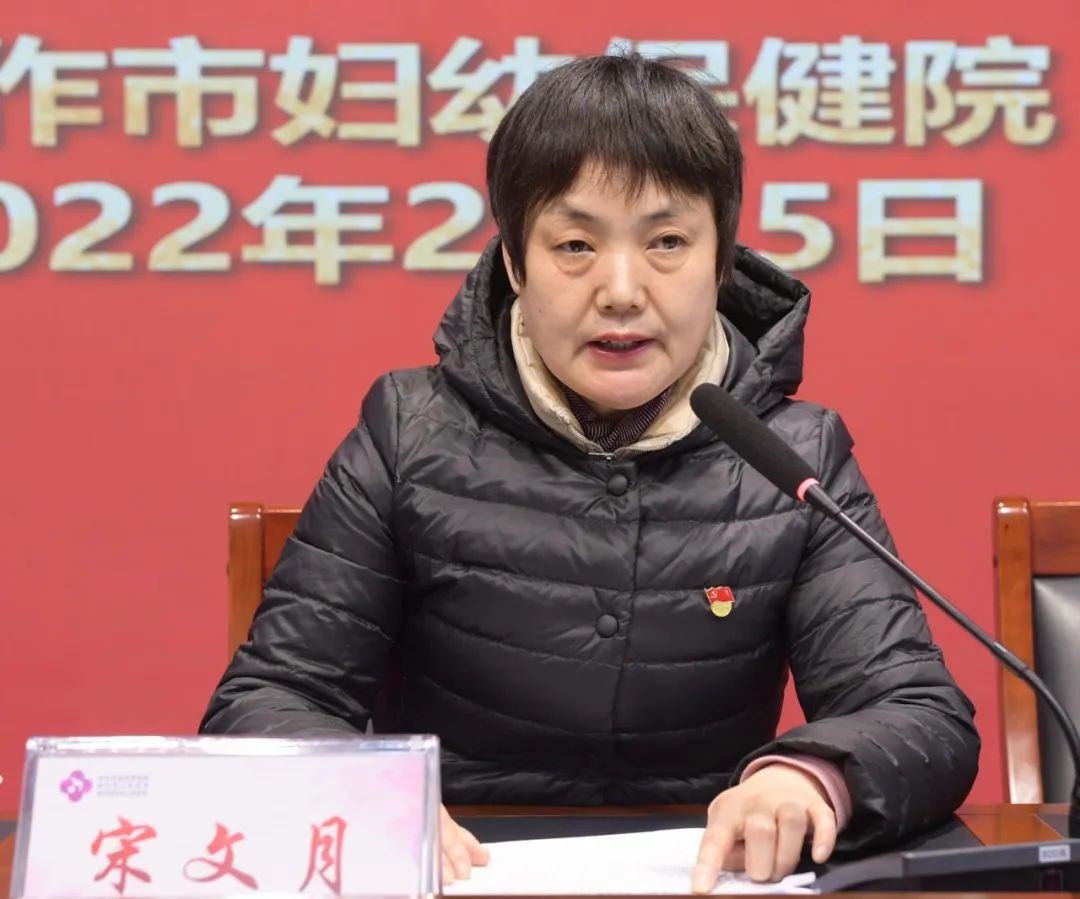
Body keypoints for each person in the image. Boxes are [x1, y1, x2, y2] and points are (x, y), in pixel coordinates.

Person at [200, 52, 980, 891]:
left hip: (706, 877)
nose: (621, 291)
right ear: (514, 261)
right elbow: (266, 700)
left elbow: (921, 715)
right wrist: (370, 794)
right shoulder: (409, 431)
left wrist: (811, 775)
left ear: (722, 258)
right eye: (575, 244)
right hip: (459, 874)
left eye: (668, 242)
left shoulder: (792, 455)